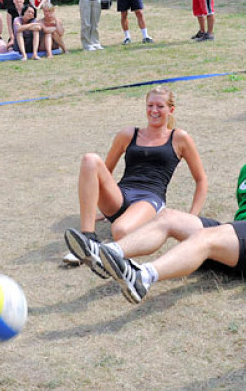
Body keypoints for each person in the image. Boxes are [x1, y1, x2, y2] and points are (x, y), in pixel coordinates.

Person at [66, 101, 246, 304]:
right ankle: (105, 253)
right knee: (167, 217)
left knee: (205, 237)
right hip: (241, 240)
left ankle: (143, 277)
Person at [63, 86, 207, 267]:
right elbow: (103, 172)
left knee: (120, 230)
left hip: (149, 199)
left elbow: (201, 180)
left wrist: (192, 218)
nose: (154, 111)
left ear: (171, 110)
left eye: (160, 106)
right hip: (121, 195)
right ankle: (88, 239)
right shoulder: (128, 134)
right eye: (150, 105)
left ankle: (108, 249)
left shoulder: (179, 138)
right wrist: (96, 210)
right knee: (90, 160)